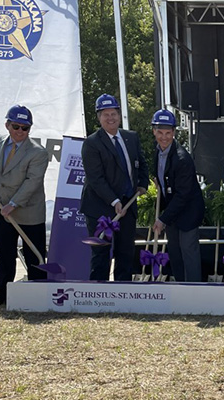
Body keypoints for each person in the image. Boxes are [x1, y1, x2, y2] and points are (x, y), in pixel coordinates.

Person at [0, 105, 49, 305]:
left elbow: (32, 182)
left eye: (25, 128)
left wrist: (14, 204)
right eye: (16, 126)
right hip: (1, 209)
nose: (20, 132)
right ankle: (1, 294)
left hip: (29, 211)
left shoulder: (38, 152)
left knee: (34, 256)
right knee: (5, 254)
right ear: (7, 125)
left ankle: (38, 295)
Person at [80, 94, 149, 281]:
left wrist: (143, 184)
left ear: (119, 115)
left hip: (128, 206)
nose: (111, 118)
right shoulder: (91, 143)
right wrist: (114, 200)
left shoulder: (131, 137)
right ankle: (99, 293)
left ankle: (122, 292)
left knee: (125, 251)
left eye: (114, 113)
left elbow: (141, 164)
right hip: (100, 208)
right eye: (105, 114)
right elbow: (96, 179)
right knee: (101, 253)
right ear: (98, 117)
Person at [151, 109, 205, 282]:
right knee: (175, 253)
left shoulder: (182, 159)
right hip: (173, 212)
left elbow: (183, 195)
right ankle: (180, 289)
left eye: (168, 133)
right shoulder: (157, 151)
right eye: (160, 132)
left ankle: (194, 293)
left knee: (189, 253)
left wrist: (162, 219)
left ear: (174, 132)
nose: (164, 137)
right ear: (154, 131)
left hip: (188, 212)